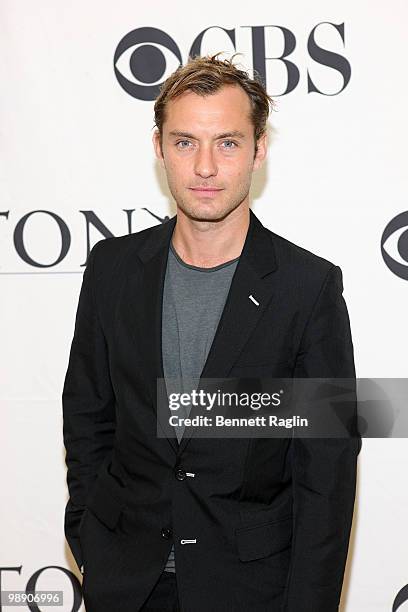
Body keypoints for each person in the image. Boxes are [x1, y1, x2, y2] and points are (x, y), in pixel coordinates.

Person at [62, 53, 361, 612]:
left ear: (258, 150)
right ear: (159, 148)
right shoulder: (111, 268)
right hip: (128, 584)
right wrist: (90, 535)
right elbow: (88, 414)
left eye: (226, 142)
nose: (204, 167)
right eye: (184, 142)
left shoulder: (308, 288)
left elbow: (326, 473)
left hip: (251, 590)